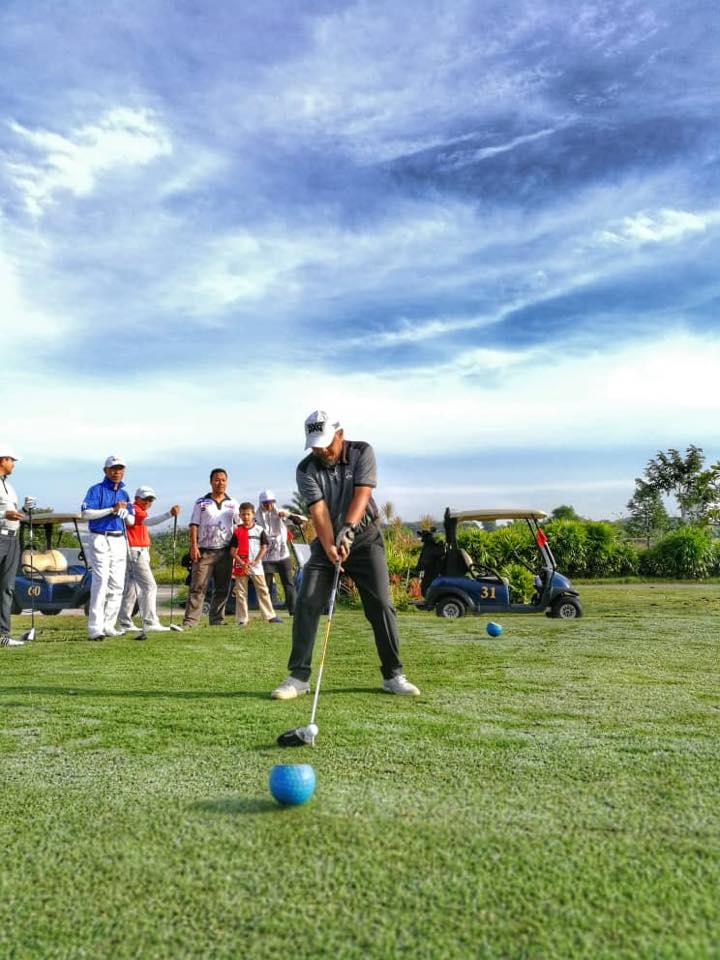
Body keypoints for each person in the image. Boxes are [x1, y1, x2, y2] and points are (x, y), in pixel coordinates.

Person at [271, 410, 420, 700]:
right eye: (315, 446)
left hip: (365, 540)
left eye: (326, 443)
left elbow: (362, 495)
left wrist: (348, 530)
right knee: (307, 601)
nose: (322, 451)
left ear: (339, 434)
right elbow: (318, 511)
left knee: (381, 605)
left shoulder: (362, 452)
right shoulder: (306, 469)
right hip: (327, 541)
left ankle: (393, 675)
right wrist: (330, 546)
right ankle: (298, 678)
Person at [80, 456, 135, 641]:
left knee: (118, 584)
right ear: (106, 470)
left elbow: (132, 520)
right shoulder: (96, 490)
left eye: (120, 468)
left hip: (119, 539)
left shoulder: (124, 494)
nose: (117, 472)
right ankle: (95, 628)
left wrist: (125, 514)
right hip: (100, 537)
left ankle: (109, 624)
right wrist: (111, 509)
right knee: (101, 581)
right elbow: (86, 513)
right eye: (113, 468)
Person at [116, 486, 181, 634]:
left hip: (136, 551)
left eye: (150, 499)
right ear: (137, 498)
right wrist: (169, 514)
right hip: (135, 551)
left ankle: (125, 622)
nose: (148, 502)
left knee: (132, 588)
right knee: (150, 586)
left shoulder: (137, 509)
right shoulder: (135, 509)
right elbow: (148, 522)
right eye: (145, 499)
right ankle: (150, 621)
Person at [182, 468, 239, 628]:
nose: (220, 483)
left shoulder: (233, 503)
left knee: (222, 588)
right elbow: (194, 524)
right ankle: (190, 621)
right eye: (217, 480)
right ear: (211, 482)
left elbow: (239, 526)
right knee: (197, 586)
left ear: (227, 482)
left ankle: (217, 620)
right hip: (204, 551)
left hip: (225, 552)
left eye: (223, 480)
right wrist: (193, 545)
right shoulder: (201, 502)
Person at [229, 502, 282, 626]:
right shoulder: (237, 531)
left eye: (248, 514)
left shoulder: (259, 530)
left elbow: (264, 547)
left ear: (253, 514)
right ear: (240, 516)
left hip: (256, 566)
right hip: (241, 566)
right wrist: (242, 563)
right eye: (243, 514)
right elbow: (232, 551)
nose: (246, 517)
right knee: (241, 592)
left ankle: (270, 616)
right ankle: (242, 619)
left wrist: (256, 561)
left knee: (263, 590)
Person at [0, 446, 26, 647]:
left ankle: (3, 635)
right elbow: (4, 513)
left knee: (7, 587)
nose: (13, 464)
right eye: (11, 460)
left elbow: (12, 511)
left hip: (12, 539)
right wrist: (4, 514)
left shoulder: (9, 486)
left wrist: (25, 509)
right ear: (2, 460)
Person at [256, 489, 297, 615]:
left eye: (271, 502)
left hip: (283, 554)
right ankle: (268, 612)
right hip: (266, 556)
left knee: (288, 583)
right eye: (265, 503)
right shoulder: (256, 517)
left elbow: (301, 521)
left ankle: (294, 610)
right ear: (261, 503)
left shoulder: (281, 513)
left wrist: (288, 516)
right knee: (266, 585)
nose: (268, 505)